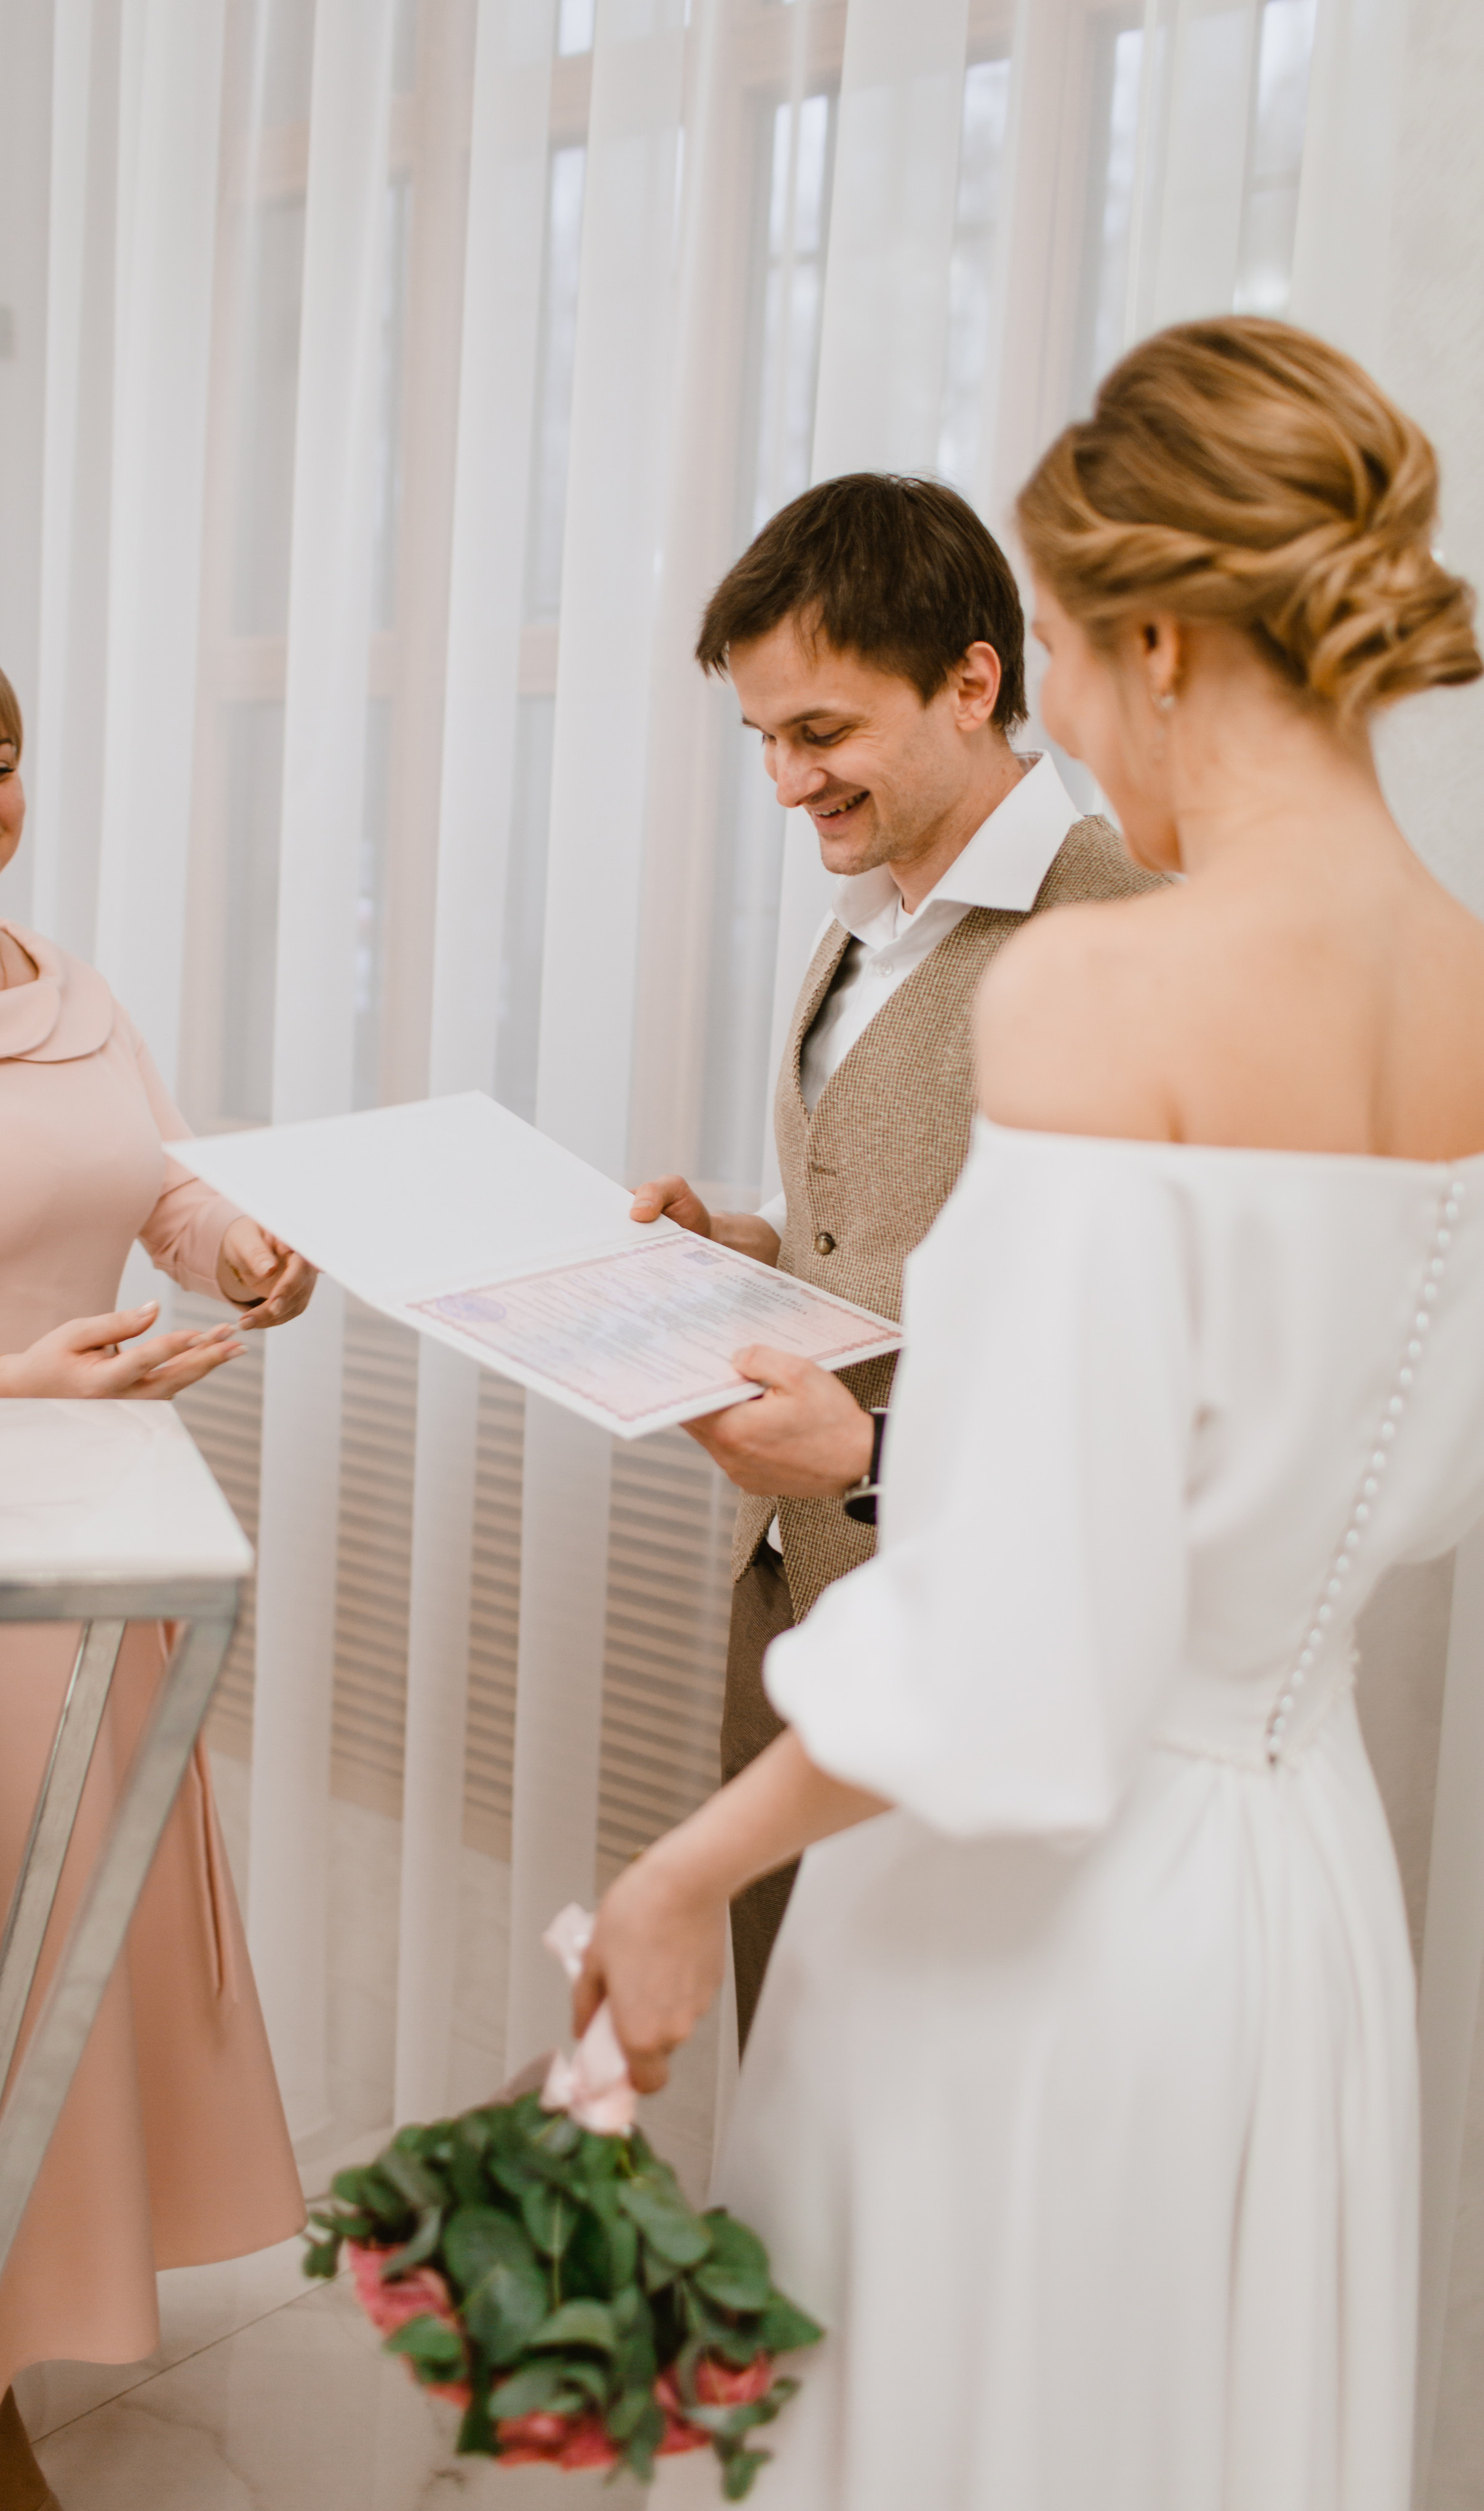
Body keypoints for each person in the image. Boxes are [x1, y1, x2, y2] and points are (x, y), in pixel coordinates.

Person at [577, 318, 1484, 2507]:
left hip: (1031, 1930)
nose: (1070, 715)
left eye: (1066, 656)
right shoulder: (1462, 977)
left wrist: (683, 1879)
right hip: (1297, 1894)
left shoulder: (1104, 979)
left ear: (1150, 640)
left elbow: (1017, 1648)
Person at [0, 611, 316, 2509]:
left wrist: (243, 1250)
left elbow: (157, 1185)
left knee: (43, 1994)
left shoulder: (76, 990)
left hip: (97, 1559)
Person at [630, 475, 1160, 2041]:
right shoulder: (862, 920)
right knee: (789, 2074)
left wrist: (874, 1448)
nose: (790, 783)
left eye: (822, 734)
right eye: (766, 745)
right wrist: (739, 1243)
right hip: (793, 1588)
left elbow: (1124, 1349)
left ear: (973, 682)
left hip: (985, 1620)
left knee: (937, 2079)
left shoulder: (1120, 931)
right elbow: (889, 1223)